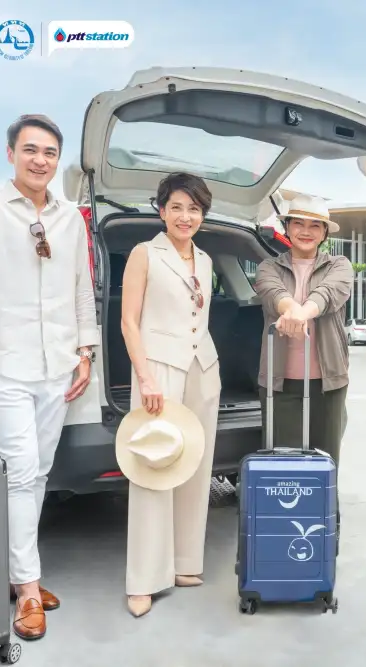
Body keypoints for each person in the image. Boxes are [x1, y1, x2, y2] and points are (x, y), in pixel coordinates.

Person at [0, 114, 99, 639]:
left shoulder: (71, 218)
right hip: (5, 363)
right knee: (22, 470)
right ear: (11, 153)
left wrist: (86, 351)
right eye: (30, 150)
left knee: (39, 473)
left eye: (49, 153)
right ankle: (28, 589)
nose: (40, 160)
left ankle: (15, 570)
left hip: (58, 365)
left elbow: (81, 287)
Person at [118, 172, 221, 618]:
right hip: (158, 368)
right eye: (177, 207)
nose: (185, 216)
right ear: (162, 211)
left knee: (195, 466)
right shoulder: (145, 253)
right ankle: (143, 579)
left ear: (203, 215)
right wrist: (144, 377)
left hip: (203, 366)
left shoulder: (207, 259)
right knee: (152, 466)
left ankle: (184, 562)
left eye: (194, 209)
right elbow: (129, 321)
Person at [254, 193, 353, 465]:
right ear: (287, 228)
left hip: (328, 383)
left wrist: (301, 313)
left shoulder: (339, 265)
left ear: (324, 233)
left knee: (325, 460)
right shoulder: (268, 267)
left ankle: (326, 498)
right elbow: (273, 293)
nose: (306, 231)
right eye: (298, 223)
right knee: (282, 462)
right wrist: (291, 309)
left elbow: (328, 294)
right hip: (279, 383)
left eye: (315, 225)